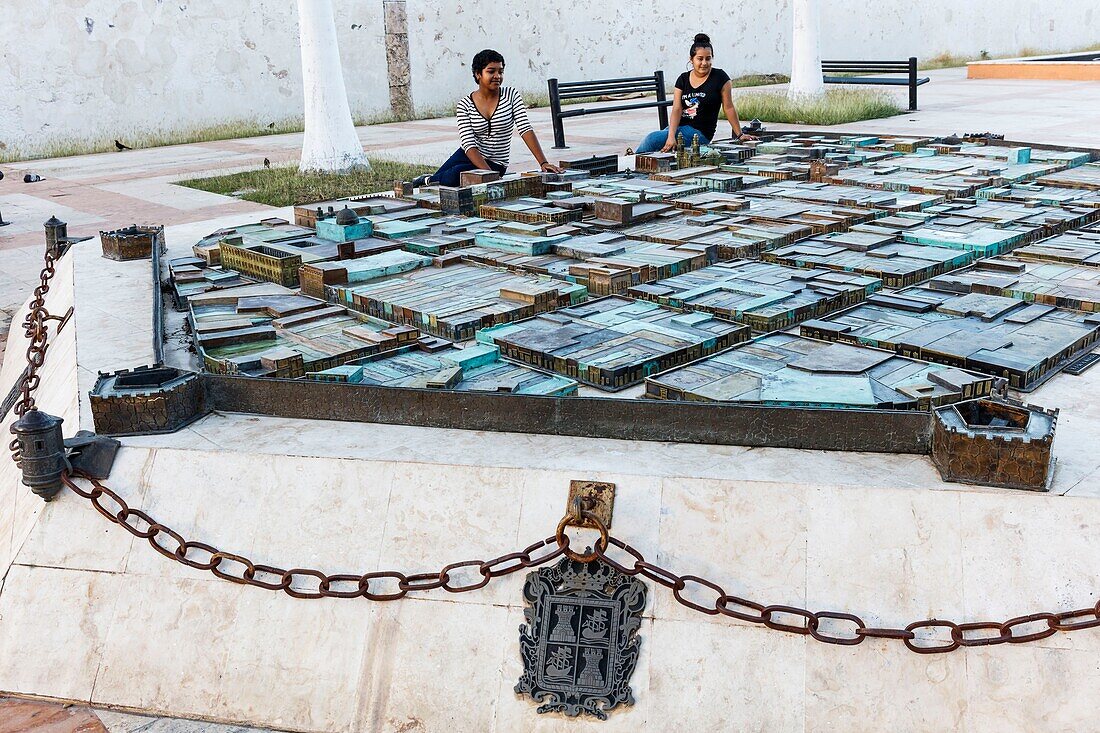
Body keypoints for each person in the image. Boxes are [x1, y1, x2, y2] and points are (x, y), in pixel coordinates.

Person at [413, 49, 563, 187]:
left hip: (495, 163)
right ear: (478, 74)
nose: (497, 76)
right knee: (441, 177)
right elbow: (468, 144)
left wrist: (543, 162)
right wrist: (490, 176)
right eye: (491, 71)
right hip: (468, 155)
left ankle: (426, 180)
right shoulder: (464, 104)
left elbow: (525, 129)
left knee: (454, 176)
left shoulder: (511, 95)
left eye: (501, 71)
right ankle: (428, 180)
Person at [634, 33, 758, 154]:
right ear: (691, 59)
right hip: (677, 128)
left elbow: (728, 107)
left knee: (652, 139)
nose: (704, 63)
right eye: (700, 59)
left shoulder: (720, 78)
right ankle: (635, 162)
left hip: (699, 134)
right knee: (656, 141)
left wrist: (740, 134)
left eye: (708, 58)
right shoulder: (682, 79)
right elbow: (677, 109)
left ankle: (633, 161)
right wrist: (671, 136)